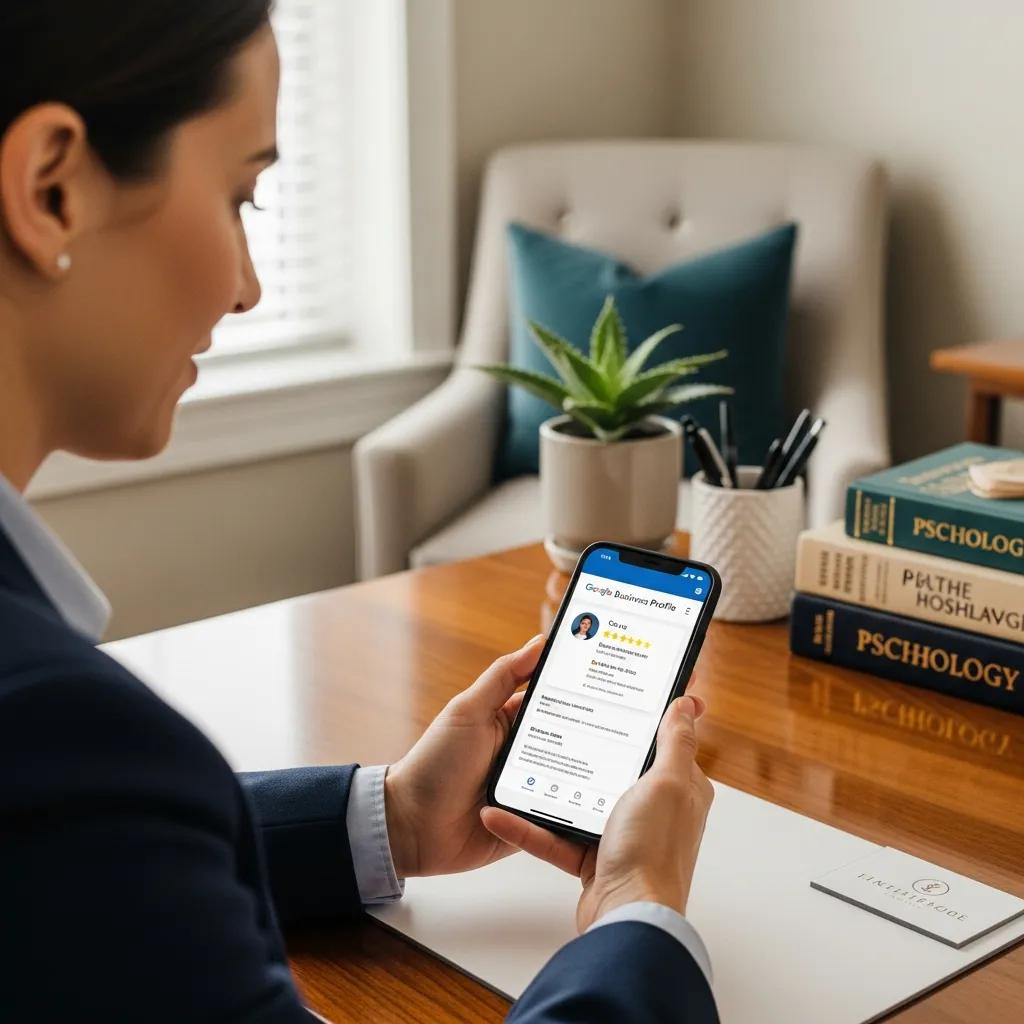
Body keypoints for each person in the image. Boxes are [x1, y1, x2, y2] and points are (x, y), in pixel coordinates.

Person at [0, 4, 719, 1021]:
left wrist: (391, 817)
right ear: (52, 189)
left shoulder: (65, 768)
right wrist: (638, 913)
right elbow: (77, 815)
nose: (249, 288)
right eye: (241, 195)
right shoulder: (61, 734)